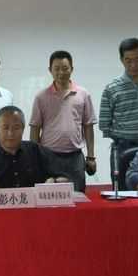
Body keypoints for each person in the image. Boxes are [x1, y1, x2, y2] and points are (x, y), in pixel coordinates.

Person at [30, 50, 97, 192]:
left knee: (77, 196)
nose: (61, 72)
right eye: (57, 68)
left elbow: (88, 126)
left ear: (72, 69)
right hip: (48, 156)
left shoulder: (83, 94)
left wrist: (91, 156)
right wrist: (33, 157)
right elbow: (35, 128)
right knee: (49, 197)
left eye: (65, 68)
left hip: (75, 157)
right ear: (50, 70)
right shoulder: (41, 97)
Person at [99, 38, 138, 185]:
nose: (133, 65)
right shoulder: (111, 88)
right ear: (121, 60)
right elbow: (104, 123)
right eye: (128, 60)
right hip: (123, 148)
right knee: (121, 192)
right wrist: (123, 136)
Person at [0, 106, 70, 191]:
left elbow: (65, 178)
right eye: (5, 128)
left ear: (23, 128)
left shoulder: (37, 151)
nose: (10, 133)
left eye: (16, 128)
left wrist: (54, 181)